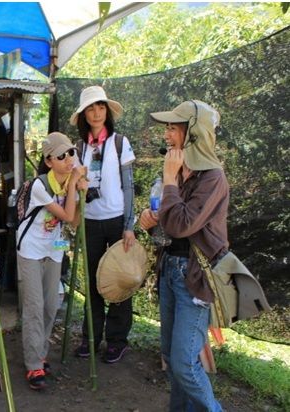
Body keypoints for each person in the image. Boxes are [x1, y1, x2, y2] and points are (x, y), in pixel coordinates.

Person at [139, 100, 226, 411]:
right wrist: (149, 224)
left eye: (173, 127)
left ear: (193, 133)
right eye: (167, 127)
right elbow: (167, 233)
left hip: (195, 280)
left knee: (185, 363)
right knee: (171, 358)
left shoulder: (212, 178)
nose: (167, 134)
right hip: (171, 271)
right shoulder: (178, 174)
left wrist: (170, 179)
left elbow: (183, 223)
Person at [70, 85, 137, 362]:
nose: (96, 113)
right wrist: (78, 183)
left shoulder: (120, 142)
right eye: (90, 108)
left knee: (120, 280)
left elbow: (129, 185)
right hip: (89, 220)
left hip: (116, 219)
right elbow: (71, 187)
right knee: (95, 283)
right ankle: (91, 337)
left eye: (100, 107)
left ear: (106, 112)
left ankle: (117, 340)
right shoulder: (78, 148)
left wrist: (129, 223)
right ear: (84, 114)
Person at [17, 132, 87, 389]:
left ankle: (40, 351)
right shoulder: (39, 186)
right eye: (61, 156)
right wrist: (74, 186)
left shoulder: (71, 182)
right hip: (31, 249)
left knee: (51, 306)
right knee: (34, 307)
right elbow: (67, 216)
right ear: (49, 161)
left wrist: (81, 191)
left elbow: (75, 220)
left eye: (70, 153)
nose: (68, 159)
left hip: (54, 248)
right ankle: (34, 365)